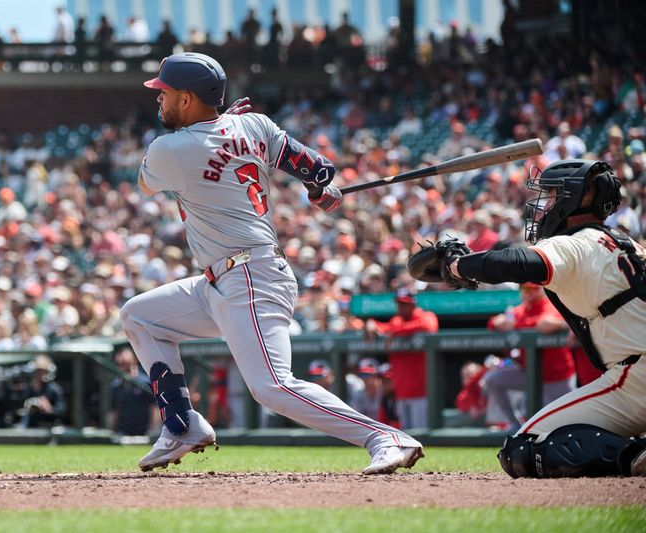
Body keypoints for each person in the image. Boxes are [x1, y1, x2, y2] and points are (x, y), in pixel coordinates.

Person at [122, 52, 423, 475]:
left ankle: (385, 436)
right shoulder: (255, 124)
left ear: (187, 99)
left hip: (249, 276)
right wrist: (319, 191)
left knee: (272, 387)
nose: (160, 102)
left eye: (166, 94)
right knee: (140, 315)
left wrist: (224, 137)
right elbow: (317, 168)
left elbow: (144, 180)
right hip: (222, 281)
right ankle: (182, 425)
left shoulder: (171, 148)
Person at [426, 159, 646, 477]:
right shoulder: (629, 244)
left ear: (577, 197)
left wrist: (457, 264)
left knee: (524, 448)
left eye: (554, 194)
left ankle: (633, 456)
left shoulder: (575, 243)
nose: (546, 205)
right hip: (633, 370)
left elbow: (516, 262)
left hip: (637, 377)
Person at [483, 283, 576, 432]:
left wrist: (516, 324)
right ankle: (515, 424)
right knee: (493, 380)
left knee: (572, 420)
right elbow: (493, 324)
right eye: (525, 288)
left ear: (542, 290)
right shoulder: (520, 309)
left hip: (557, 377)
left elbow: (543, 324)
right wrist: (498, 321)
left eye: (534, 288)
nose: (529, 292)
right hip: (529, 373)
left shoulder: (550, 304)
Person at [365, 288, 439, 430]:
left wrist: (396, 331)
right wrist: (371, 323)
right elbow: (381, 327)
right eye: (399, 303)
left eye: (404, 304)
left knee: (422, 436)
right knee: (406, 438)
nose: (401, 307)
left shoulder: (425, 316)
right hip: (401, 392)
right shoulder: (396, 321)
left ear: (413, 304)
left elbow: (430, 326)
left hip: (421, 392)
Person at [109, 348, 158, 436]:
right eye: (118, 357)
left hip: (143, 432)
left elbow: (154, 407)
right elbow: (114, 411)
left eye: (123, 357)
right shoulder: (116, 385)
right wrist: (112, 430)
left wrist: (152, 428)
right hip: (122, 432)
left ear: (135, 359)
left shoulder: (146, 382)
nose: (120, 360)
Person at [16, 355, 67, 428]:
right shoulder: (27, 388)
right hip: (29, 427)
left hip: (48, 427)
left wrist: (49, 409)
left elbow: (62, 412)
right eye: (38, 371)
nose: (40, 374)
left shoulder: (55, 389)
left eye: (43, 371)